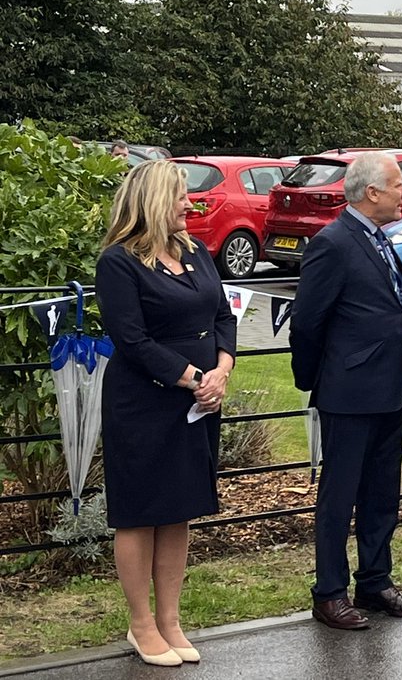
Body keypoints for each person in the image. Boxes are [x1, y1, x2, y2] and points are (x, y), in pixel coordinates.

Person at [95, 161, 235, 665]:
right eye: (180, 196)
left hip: (199, 400)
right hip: (144, 401)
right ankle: (141, 624)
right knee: (139, 513)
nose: (188, 204)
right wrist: (194, 379)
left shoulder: (195, 251)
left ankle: (171, 620)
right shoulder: (118, 262)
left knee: (179, 509)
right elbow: (130, 338)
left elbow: (222, 314)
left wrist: (221, 369)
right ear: (154, 200)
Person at [290, 151, 402, 631]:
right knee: (339, 496)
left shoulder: (380, 240)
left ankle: (375, 580)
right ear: (372, 193)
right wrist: (315, 381)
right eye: (398, 185)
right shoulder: (334, 243)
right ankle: (329, 593)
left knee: (382, 494)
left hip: (389, 389)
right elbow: (307, 323)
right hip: (348, 392)